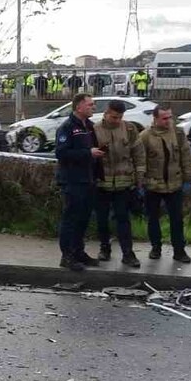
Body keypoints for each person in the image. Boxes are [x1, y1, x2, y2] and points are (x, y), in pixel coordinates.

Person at [136, 104, 191, 262]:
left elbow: (186, 156)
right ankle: (156, 248)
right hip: (153, 185)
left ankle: (179, 251)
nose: (168, 121)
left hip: (174, 184)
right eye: (164, 118)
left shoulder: (178, 133)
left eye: (170, 117)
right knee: (153, 218)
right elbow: (140, 160)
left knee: (177, 219)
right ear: (155, 119)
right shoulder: (145, 136)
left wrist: (190, 177)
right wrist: (140, 182)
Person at [92, 100, 145, 267]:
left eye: (120, 117)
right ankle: (104, 249)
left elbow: (138, 154)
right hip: (102, 183)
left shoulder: (129, 129)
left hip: (124, 183)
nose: (117, 120)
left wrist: (139, 177)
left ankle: (128, 253)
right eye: (114, 117)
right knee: (102, 218)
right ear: (106, 113)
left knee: (123, 218)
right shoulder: (94, 130)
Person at [55, 93, 104, 271]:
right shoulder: (67, 127)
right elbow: (61, 153)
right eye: (90, 105)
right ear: (79, 107)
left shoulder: (89, 126)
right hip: (73, 181)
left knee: (83, 219)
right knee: (71, 219)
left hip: (88, 180)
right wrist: (88, 153)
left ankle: (78, 252)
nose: (93, 107)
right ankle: (66, 255)